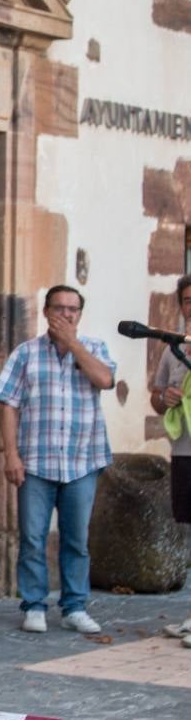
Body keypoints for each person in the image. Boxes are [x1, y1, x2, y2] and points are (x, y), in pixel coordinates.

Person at [0, 285, 115, 635]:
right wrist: (11, 454)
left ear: (79, 314)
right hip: (36, 461)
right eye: (59, 308)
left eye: (72, 309)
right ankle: (33, 604)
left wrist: (74, 344)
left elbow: (105, 379)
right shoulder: (26, 354)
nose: (66, 314)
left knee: (76, 538)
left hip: (82, 461)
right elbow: (8, 404)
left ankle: (75, 606)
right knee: (32, 537)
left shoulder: (95, 349)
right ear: (46, 312)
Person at [148, 273, 191, 648]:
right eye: (188, 299)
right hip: (183, 449)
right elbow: (156, 396)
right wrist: (167, 398)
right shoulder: (172, 349)